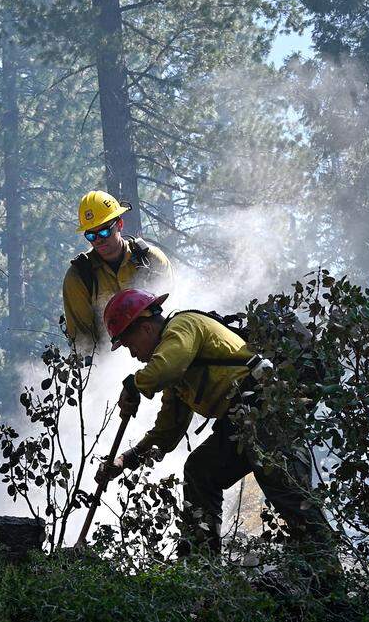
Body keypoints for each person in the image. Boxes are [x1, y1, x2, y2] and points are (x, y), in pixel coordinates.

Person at [96, 288, 334, 562]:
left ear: (146, 328)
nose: (133, 355)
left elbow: (166, 367)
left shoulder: (183, 327)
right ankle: (200, 569)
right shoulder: (178, 373)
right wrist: (126, 459)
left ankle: (328, 578)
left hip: (266, 413)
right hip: (240, 424)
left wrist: (133, 385)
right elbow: (167, 432)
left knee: (289, 494)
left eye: (129, 344)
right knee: (201, 471)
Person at [62, 191, 172, 350]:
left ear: (120, 224)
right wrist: (99, 372)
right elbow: (82, 339)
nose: (98, 239)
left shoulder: (150, 259)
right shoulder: (78, 277)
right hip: (110, 363)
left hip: (161, 349)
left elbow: (170, 312)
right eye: (91, 236)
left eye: (104, 231)